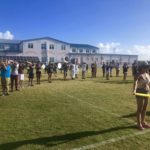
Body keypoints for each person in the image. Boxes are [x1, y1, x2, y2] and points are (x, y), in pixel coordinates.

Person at [133, 64, 150, 130]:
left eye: (148, 67)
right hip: (140, 92)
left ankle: (143, 122)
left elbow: (149, 83)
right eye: (146, 67)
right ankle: (138, 123)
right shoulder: (138, 74)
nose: (147, 68)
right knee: (140, 108)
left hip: (147, 92)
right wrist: (134, 90)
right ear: (142, 67)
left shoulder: (147, 74)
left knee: (145, 108)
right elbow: (135, 83)